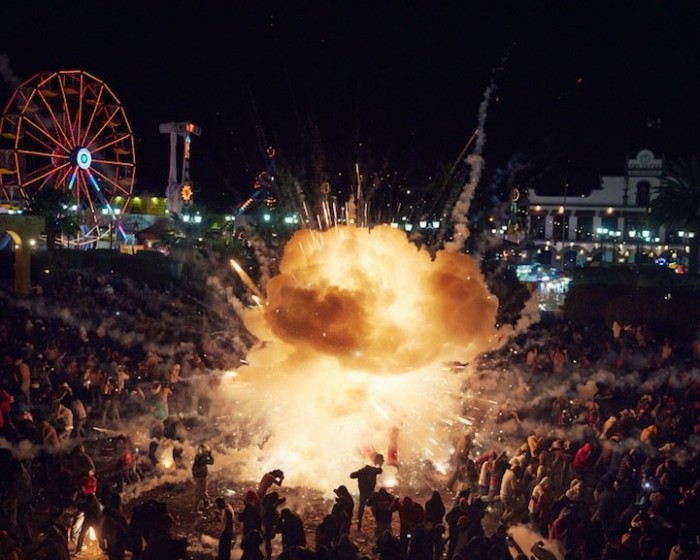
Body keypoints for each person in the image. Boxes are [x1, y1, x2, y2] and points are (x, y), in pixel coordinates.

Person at [350, 452, 384, 529]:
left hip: (363, 492)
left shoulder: (362, 472)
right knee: (374, 507)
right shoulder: (373, 471)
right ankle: (378, 522)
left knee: (361, 508)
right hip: (370, 492)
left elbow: (351, 475)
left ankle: (359, 524)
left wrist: (360, 473)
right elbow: (380, 470)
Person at [192, 444, 214, 510]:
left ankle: (206, 504)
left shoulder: (198, 456)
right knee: (200, 492)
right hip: (201, 476)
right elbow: (211, 462)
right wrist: (210, 455)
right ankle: (195, 509)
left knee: (203, 491)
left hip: (198, 476)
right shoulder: (202, 458)